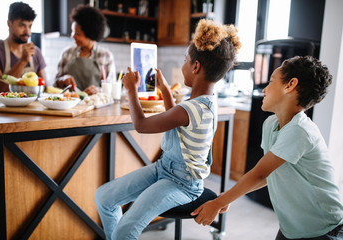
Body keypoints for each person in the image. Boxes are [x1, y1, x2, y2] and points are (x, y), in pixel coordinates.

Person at [94, 19, 241, 240]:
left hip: (183, 184)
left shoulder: (191, 108)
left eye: (185, 60)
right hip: (164, 169)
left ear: (195, 67)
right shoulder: (207, 102)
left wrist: (132, 90)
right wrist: (164, 89)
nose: (182, 65)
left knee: (126, 229)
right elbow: (179, 122)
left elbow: (141, 126)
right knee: (104, 197)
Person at [191, 56, 343, 240]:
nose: (264, 88)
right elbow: (268, 174)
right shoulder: (271, 124)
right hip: (292, 228)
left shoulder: (300, 131)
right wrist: (227, 197)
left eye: (271, 81)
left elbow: (259, 174)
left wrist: (218, 202)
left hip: (324, 229)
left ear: (290, 85)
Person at [0, 2, 47, 94]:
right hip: (0, 108)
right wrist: (22, 61)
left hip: (31, 107)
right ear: (9, 23)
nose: (27, 32)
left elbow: (44, 88)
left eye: (30, 26)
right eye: (22, 25)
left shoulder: (36, 52)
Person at [54, 5, 116, 95]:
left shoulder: (106, 56)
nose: (72, 36)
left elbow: (111, 87)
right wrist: (62, 79)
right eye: (72, 32)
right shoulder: (67, 53)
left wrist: (98, 90)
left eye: (77, 34)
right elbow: (55, 85)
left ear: (90, 35)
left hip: (96, 105)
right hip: (70, 104)